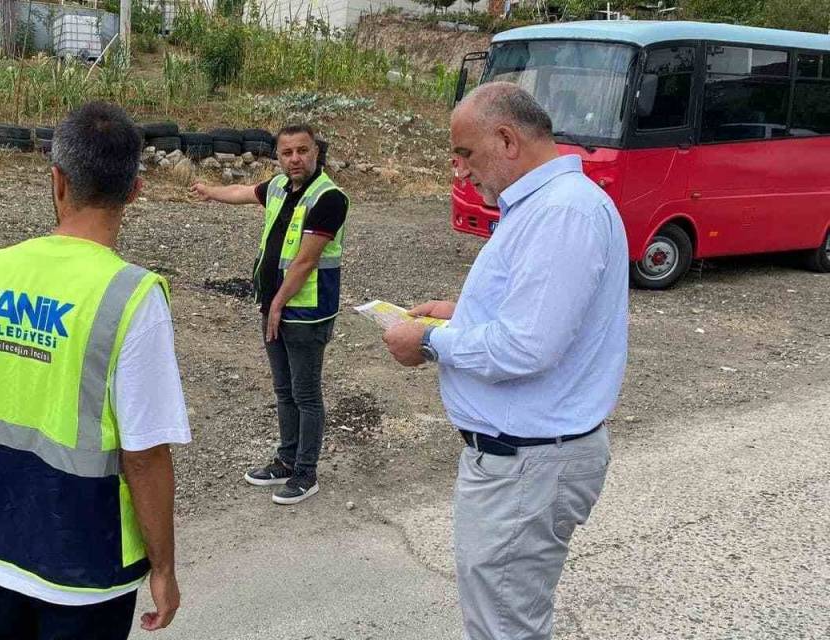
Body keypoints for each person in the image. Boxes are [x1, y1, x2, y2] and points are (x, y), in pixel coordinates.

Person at [0, 102, 190, 639]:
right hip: (85, 561)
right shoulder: (131, 297)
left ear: (57, 181)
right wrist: (163, 570)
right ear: (134, 191)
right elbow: (145, 455)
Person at [383, 82, 628, 639]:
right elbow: (536, 315)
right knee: (501, 616)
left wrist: (429, 341)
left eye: (465, 153)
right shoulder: (548, 207)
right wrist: (459, 313)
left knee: (505, 628)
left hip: (526, 467)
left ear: (506, 139)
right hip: (523, 464)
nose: (461, 172)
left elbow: (527, 347)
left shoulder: (562, 213)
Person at [190, 124, 348, 505]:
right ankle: (285, 458)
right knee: (283, 390)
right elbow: (244, 192)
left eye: (302, 151)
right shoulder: (279, 187)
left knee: (306, 393)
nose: (294, 159)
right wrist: (210, 192)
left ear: (316, 153)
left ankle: (305, 472)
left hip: (306, 311)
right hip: (273, 305)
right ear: (278, 157)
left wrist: (277, 305)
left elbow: (307, 260)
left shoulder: (329, 198)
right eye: (287, 152)